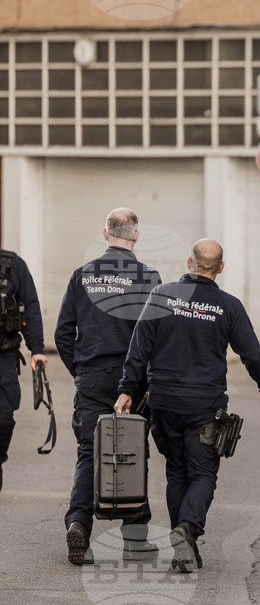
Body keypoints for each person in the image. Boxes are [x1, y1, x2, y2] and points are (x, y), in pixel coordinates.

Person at [115, 238, 260, 573]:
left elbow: (139, 346)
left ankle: (184, 546)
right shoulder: (228, 306)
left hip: (164, 403)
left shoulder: (161, 295)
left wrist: (127, 389)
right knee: (202, 473)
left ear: (190, 263)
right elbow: (253, 354)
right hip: (204, 406)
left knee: (176, 472)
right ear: (221, 267)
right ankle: (187, 529)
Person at [55, 208, 162, 566]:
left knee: (89, 452)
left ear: (105, 233)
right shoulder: (148, 277)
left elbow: (63, 333)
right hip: (132, 382)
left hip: (92, 376)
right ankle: (134, 539)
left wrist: (81, 370)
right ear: (136, 236)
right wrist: (145, 381)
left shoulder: (82, 275)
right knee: (132, 452)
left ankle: (78, 526)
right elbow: (155, 337)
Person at [0, 249, 46, 492]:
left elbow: (30, 306)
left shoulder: (12, 265)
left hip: (4, 354)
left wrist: (36, 348)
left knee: (4, 417)